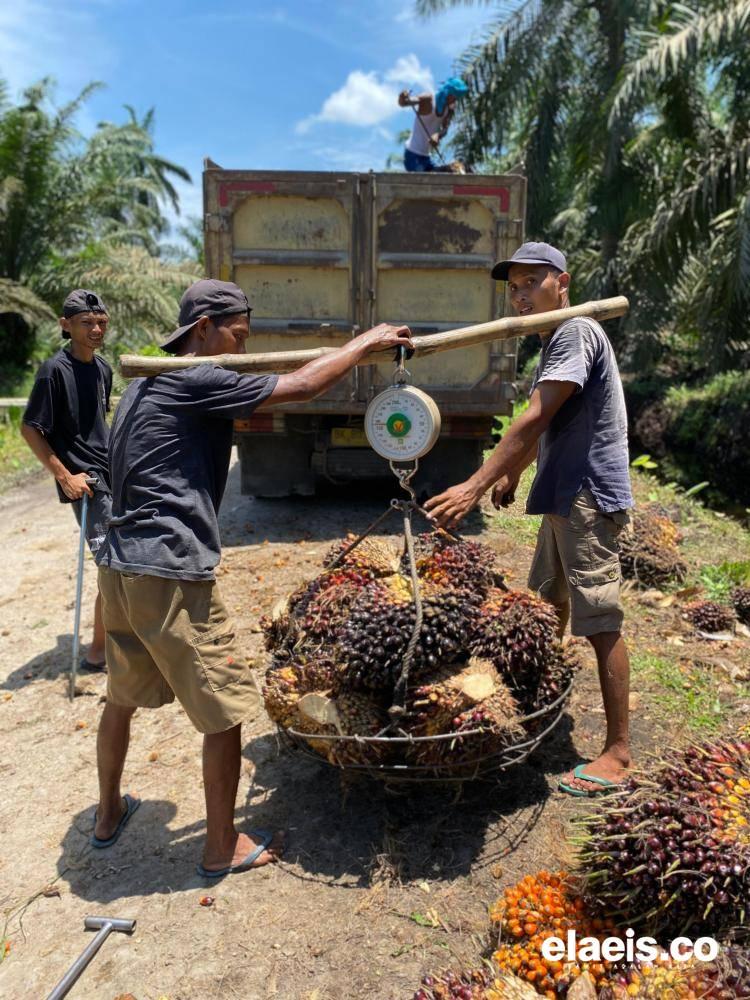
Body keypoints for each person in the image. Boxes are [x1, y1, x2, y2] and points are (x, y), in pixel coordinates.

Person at [93, 278, 413, 874]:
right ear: (204, 327)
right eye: (238, 333)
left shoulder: (144, 386)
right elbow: (304, 385)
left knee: (121, 696)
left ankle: (108, 814)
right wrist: (367, 341)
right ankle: (221, 848)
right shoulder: (198, 376)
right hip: (168, 569)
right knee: (227, 708)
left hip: (120, 565)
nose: (242, 345)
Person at [424, 242, 634, 797]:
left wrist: (473, 483)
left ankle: (617, 754)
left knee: (599, 617)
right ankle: (540, 704)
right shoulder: (554, 340)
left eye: (531, 282)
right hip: (565, 494)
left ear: (561, 282)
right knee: (546, 604)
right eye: (513, 286)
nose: (520, 295)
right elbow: (555, 423)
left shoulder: (575, 332)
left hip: (587, 496)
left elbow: (537, 414)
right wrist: (512, 473)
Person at [22, 289, 112, 673]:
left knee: (120, 564)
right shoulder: (53, 371)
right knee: (112, 566)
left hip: (111, 475)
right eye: (86, 323)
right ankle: (98, 652)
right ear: (66, 325)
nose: (95, 329)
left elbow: (97, 428)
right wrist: (65, 477)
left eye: (101, 323)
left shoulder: (103, 368)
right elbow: (30, 429)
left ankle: (112, 644)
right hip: (87, 484)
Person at [398, 77, 468, 172]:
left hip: (426, 158)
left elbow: (445, 129)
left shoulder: (450, 108)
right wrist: (403, 97)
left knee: (449, 172)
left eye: (457, 98)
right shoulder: (428, 99)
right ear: (447, 91)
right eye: (454, 96)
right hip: (412, 155)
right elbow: (405, 103)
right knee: (427, 182)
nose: (454, 101)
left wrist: (438, 135)